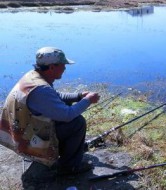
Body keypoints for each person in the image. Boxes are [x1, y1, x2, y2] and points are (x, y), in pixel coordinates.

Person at [0, 47, 100, 175]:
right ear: (52, 67)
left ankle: (63, 152)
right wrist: (88, 100)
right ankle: (70, 168)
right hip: (27, 140)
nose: (65, 68)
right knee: (77, 123)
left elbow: (54, 97)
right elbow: (67, 115)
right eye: (63, 65)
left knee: (67, 109)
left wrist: (79, 96)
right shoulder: (41, 90)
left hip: (20, 132)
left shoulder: (33, 76)